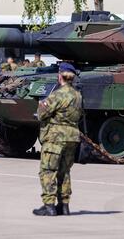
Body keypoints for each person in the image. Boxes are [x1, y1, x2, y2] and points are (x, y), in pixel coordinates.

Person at [33, 62, 82, 216]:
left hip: (55, 138)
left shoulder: (57, 95)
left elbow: (42, 114)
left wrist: (41, 105)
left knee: (48, 170)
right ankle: (64, 205)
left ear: (60, 76)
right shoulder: (77, 95)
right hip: (72, 137)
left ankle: (49, 206)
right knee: (64, 171)